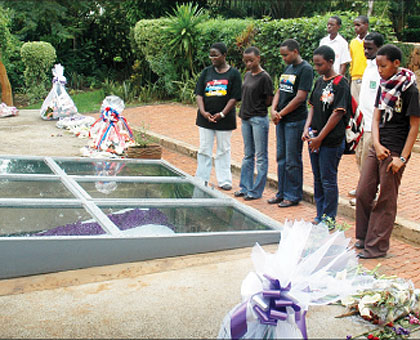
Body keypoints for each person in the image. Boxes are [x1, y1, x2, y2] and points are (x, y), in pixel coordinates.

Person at [355, 44, 420, 259]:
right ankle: (363, 237)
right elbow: (375, 118)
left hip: (396, 151)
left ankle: (377, 247)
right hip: (378, 145)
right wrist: (376, 143)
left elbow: (414, 126)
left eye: (383, 66)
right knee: (364, 191)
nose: (380, 70)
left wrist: (402, 157)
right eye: (377, 66)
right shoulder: (384, 85)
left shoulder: (410, 89)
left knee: (386, 198)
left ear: (396, 64)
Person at [302, 45, 350, 225]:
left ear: (331, 62)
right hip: (314, 138)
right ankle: (320, 213)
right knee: (317, 178)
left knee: (328, 179)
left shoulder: (341, 83)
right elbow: (312, 107)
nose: (317, 68)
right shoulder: (320, 81)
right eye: (315, 65)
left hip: (330, 141)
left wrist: (320, 138)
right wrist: (306, 128)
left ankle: (329, 217)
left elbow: (337, 113)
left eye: (320, 65)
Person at [267, 39, 314, 207]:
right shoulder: (288, 68)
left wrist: (281, 113)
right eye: (282, 55)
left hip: (295, 120)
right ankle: (281, 192)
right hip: (281, 119)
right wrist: (273, 109)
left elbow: (301, 97)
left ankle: (293, 195)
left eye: (286, 55)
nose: (283, 58)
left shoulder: (305, 69)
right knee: (281, 157)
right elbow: (280, 89)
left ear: (295, 52)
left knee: (292, 159)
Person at [194, 42, 242, 191]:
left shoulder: (234, 74)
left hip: (224, 119)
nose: (212, 58)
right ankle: (202, 179)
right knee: (204, 149)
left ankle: (224, 180)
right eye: (211, 55)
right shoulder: (206, 72)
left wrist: (222, 114)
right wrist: (203, 112)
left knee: (223, 150)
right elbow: (199, 94)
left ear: (224, 55)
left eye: (215, 55)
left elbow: (234, 97)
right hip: (205, 118)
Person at [349, 32, 384, 206]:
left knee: (368, 162)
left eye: (369, 48)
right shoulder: (368, 66)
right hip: (362, 123)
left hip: (373, 125)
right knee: (359, 157)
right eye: (364, 48)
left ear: (379, 48)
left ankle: (369, 194)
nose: (365, 51)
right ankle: (364, 188)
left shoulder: (381, 70)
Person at [234, 47, 273, 200]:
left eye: (251, 60)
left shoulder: (265, 77)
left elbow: (269, 99)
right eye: (246, 61)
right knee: (247, 155)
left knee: (261, 156)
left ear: (258, 58)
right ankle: (245, 187)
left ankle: (256, 191)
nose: (248, 63)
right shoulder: (247, 75)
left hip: (258, 119)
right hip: (246, 118)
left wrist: (258, 108)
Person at [349, 15, 369, 102]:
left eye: (358, 25)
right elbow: (351, 61)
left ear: (366, 25)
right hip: (355, 78)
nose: (356, 28)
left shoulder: (370, 41)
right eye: (355, 25)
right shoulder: (353, 42)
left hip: (367, 77)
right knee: (354, 104)